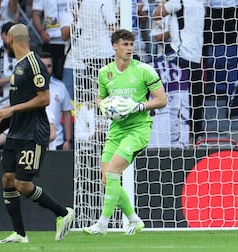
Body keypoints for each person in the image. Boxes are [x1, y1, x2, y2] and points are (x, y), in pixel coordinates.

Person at [0, 23, 74, 243]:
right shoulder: (19, 64)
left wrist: (11, 109)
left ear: (10, 39)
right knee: (7, 179)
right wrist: (4, 118)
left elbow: (44, 98)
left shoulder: (34, 63)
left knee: (23, 184)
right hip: (16, 131)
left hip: (33, 133)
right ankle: (20, 234)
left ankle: (63, 213)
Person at [83, 29, 167, 235]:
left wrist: (137, 106)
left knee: (112, 172)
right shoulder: (105, 73)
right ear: (115, 46)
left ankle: (102, 224)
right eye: (125, 44)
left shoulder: (144, 70)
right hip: (116, 129)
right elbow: (100, 99)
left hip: (138, 129)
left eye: (131, 44)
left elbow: (162, 100)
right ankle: (134, 219)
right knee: (106, 178)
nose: (129, 48)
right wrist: (104, 107)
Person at [153, 0, 205, 143]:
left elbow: (157, 13)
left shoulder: (182, 2)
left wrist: (163, 4)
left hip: (187, 56)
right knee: (191, 99)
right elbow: (158, 17)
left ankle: (184, 137)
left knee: (186, 100)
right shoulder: (190, 2)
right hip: (187, 56)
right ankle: (191, 137)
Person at [39, 52, 73, 150]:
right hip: (34, 140)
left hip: (57, 141)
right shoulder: (28, 87)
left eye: (49, 66)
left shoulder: (60, 87)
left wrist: (68, 140)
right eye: (42, 66)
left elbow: (67, 113)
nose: (46, 69)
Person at [32, 0, 72, 80]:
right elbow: (36, 14)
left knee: (65, 75)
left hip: (70, 41)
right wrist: (41, 31)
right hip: (50, 40)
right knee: (46, 75)